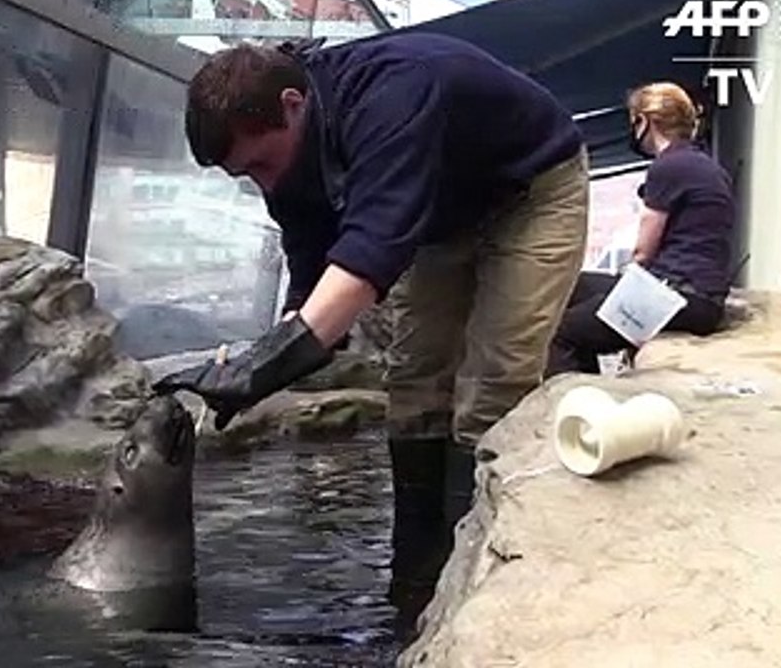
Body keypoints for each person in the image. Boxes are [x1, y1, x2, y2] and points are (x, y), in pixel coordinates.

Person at [151, 32, 589, 635]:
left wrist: (262, 372)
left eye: (259, 164)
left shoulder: (394, 92)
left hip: (532, 191)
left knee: (495, 379)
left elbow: (370, 254)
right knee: (414, 378)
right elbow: (312, 265)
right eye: (243, 174)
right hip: (443, 218)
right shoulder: (290, 160)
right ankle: (413, 580)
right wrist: (272, 350)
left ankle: (476, 581)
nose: (262, 184)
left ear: (291, 104)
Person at [545, 82, 735, 376]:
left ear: (644, 120)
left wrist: (625, 296)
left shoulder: (668, 167)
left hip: (674, 296)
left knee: (562, 333)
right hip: (698, 297)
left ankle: (587, 406)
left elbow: (643, 253)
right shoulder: (705, 165)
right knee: (574, 285)